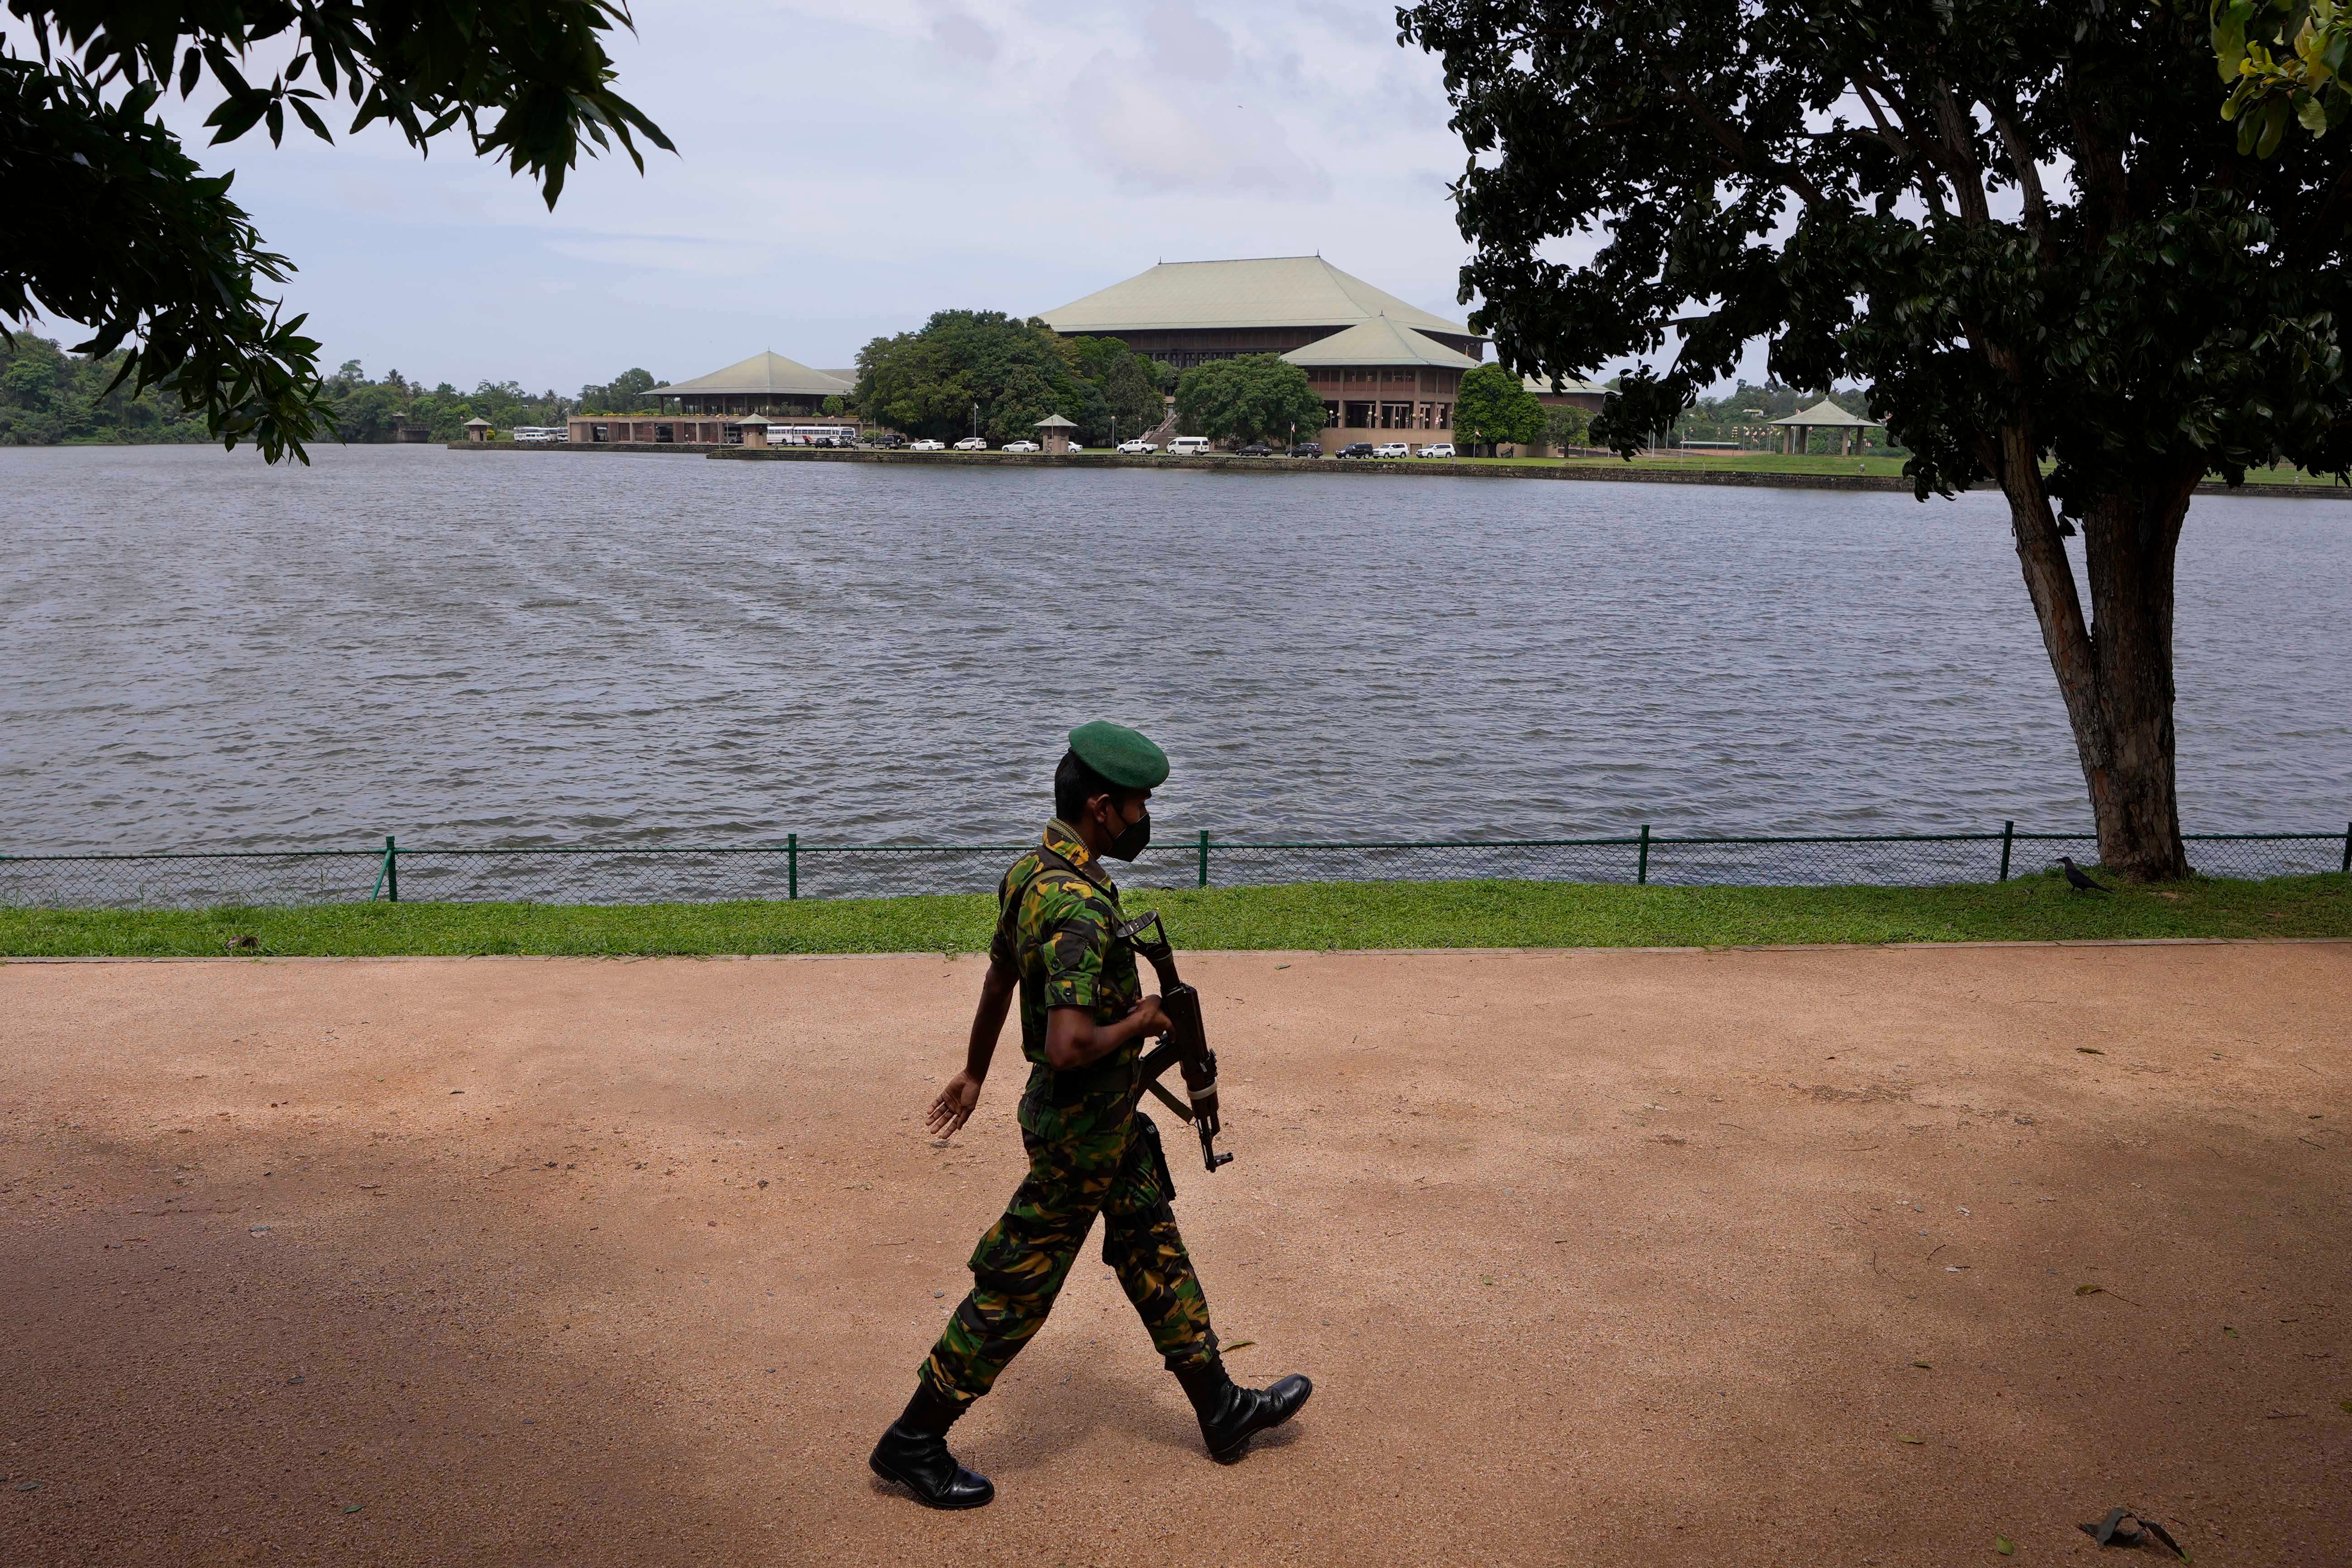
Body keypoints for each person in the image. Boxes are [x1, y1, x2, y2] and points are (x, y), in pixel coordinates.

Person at [868, 721, 1312, 1509]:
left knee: (1150, 1245)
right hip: (1078, 1131)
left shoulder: (1031, 872)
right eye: (1138, 805)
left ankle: (1221, 1406)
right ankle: (914, 1439)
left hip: (1106, 1120)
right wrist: (1142, 1019)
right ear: (1102, 807)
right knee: (1017, 1286)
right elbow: (1068, 1044)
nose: (1145, 819)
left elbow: (1000, 976)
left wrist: (975, 1069)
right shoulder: (1076, 905)